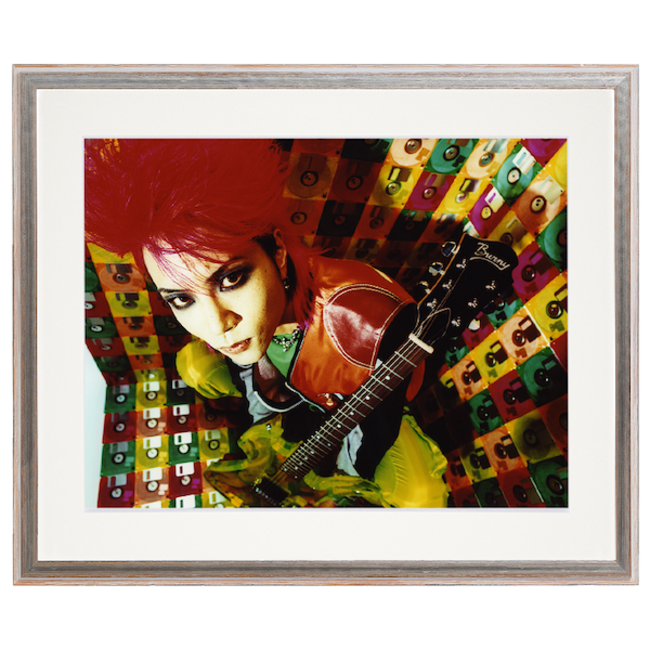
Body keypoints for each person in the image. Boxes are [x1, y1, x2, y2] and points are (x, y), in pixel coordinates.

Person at [85, 138, 448, 508]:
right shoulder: (231, 324)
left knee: (422, 498)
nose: (216, 326)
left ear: (278, 252)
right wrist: (265, 430)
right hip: (293, 390)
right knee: (193, 364)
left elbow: (375, 426)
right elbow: (245, 368)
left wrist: (333, 480)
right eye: (182, 299)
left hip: (368, 401)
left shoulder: (363, 319)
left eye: (230, 279)